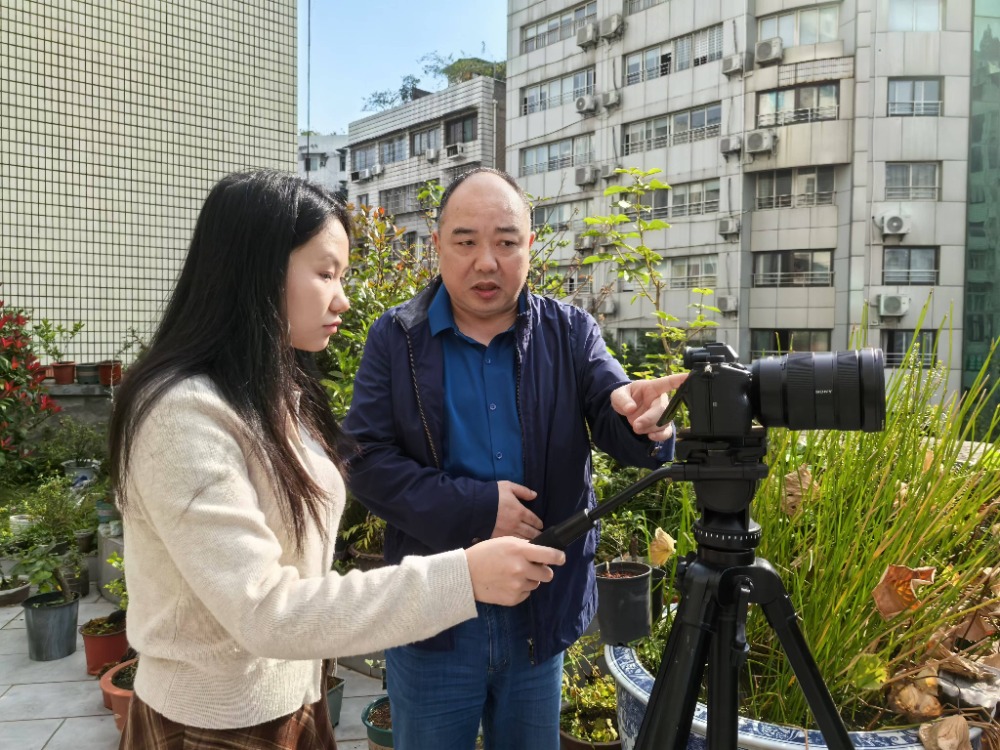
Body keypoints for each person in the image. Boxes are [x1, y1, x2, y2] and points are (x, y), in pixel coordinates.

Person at [106, 169, 566, 749]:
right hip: (209, 726)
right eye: (326, 273)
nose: (343, 298)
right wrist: (464, 574)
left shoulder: (274, 394)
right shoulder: (182, 414)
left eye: (342, 275)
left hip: (294, 702)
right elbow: (267, 608)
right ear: (257, 271)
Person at [343, 166, 688, 749]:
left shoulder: (570, 332)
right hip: (434, 616)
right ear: (437, 247)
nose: (486, 261)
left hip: (538, 607)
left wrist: (646, 423)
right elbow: (365, 460)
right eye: (466, 241)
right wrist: (478, 510)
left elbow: (616, 409)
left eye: (505, 242)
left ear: (529, 247)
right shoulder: (395, 338)